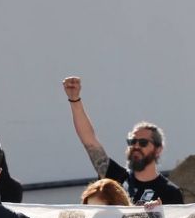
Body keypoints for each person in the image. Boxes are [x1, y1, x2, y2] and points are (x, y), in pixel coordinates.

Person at [62, 76, 183, 205]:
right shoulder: (115, 178)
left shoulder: (170, 192)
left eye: (143, 143)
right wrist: (74, 100)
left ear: (158, 149)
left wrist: (157, 214)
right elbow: (89, 141)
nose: (136, 146)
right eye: (132, 142)